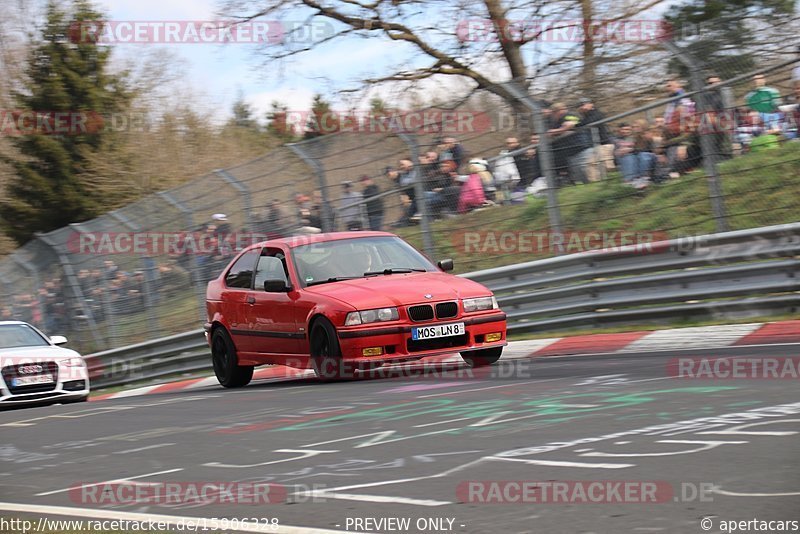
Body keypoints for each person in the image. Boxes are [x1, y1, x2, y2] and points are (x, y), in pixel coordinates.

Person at [577, 97, 613, 181]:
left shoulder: (597, 113)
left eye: (584, 104)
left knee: (607, 166)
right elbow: (581, 124)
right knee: (592, 164)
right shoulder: (586, 116)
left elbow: (589, 122)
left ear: (591, 104)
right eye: (581, 105)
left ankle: (611, 183)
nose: (583, 107)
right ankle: (597, 184)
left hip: (604, 144)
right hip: (597, 145)